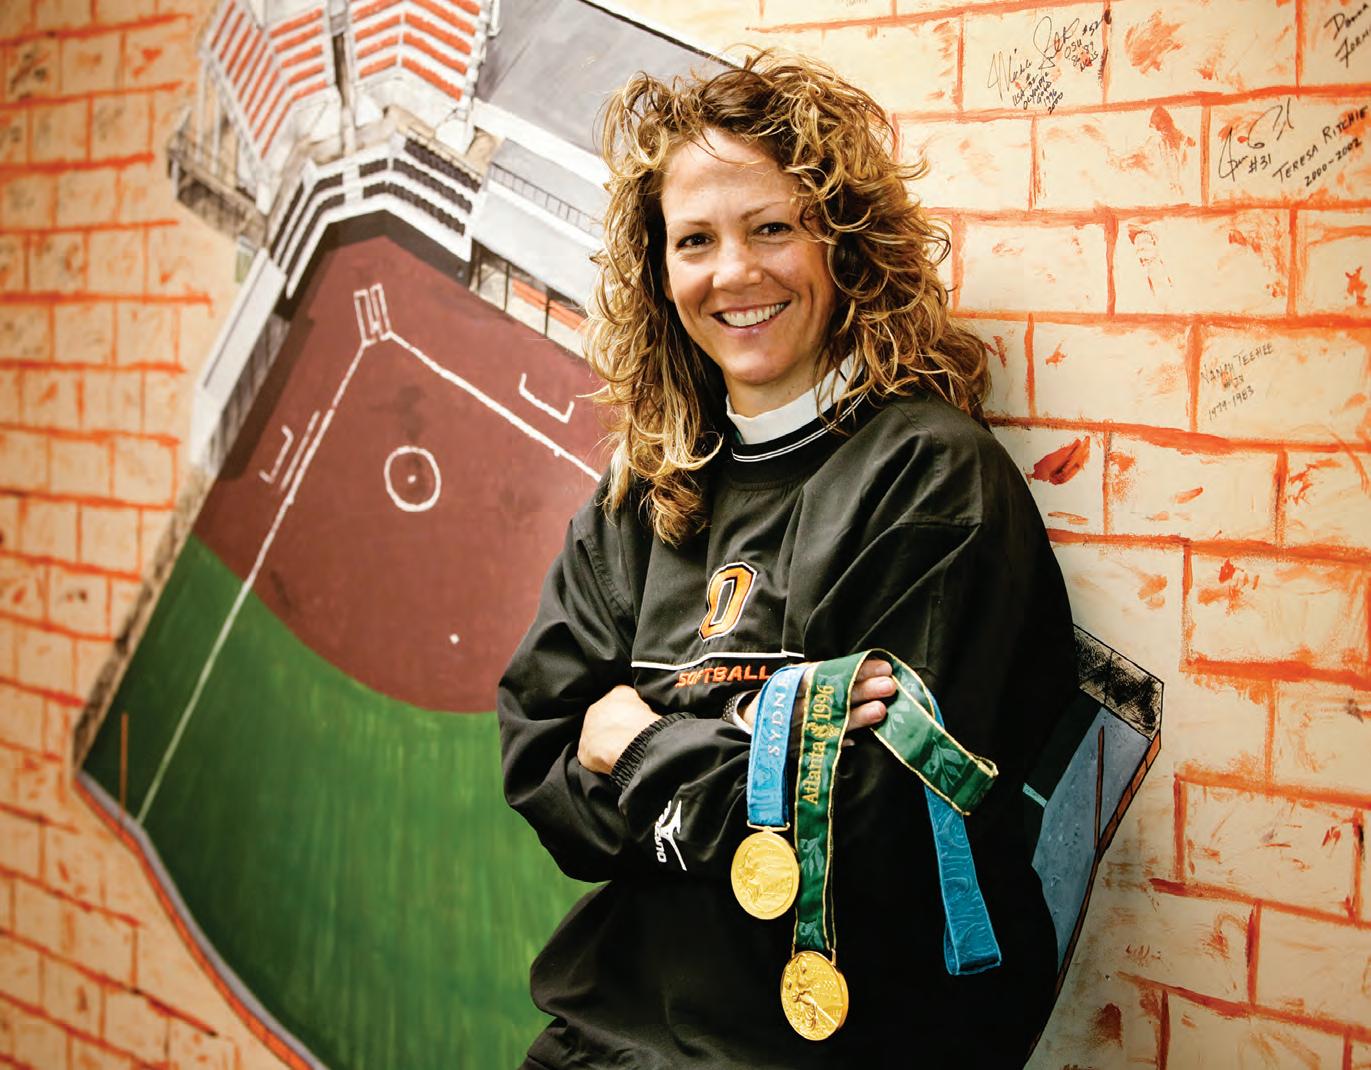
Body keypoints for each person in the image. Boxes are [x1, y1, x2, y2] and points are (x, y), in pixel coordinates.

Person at [497, 50, 1078, 1069]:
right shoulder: (644, 497)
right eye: (695, 240)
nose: (734, 272)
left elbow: (872, 836)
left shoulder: (932, 482)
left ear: (842, 242)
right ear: (660, 272)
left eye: (771, 228)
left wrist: (641, 746)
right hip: (604, 1043)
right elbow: (543, 769)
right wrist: (769, 743)